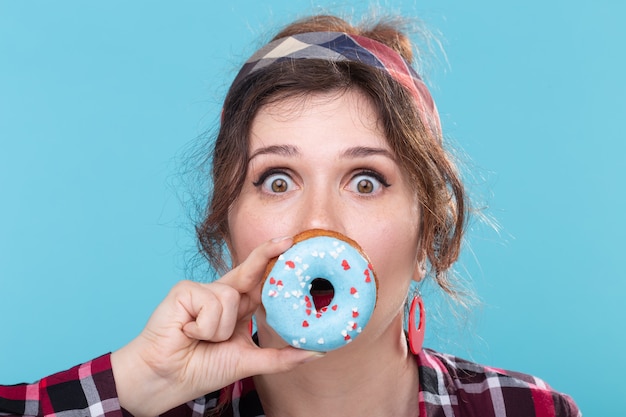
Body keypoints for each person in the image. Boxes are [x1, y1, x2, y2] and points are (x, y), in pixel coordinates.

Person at [0, 14, 580, 417]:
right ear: (226, 231)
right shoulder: (149, 406)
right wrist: (137, 384)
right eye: (277, 181)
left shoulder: (527, 410)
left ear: (428, 237)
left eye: (366, 181)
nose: (316, 223)